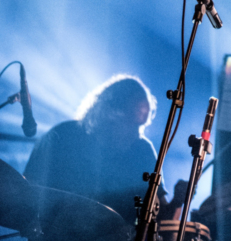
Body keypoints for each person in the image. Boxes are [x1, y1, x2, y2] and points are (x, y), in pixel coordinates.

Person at [23, 73, 162, 221]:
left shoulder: (142, 150)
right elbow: (28, 191)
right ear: (110, 113)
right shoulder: (63, 136)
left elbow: (161, 212)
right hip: (55, 239)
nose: (137, 134)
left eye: (141, 126)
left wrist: (178, 200)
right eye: (131, 123)